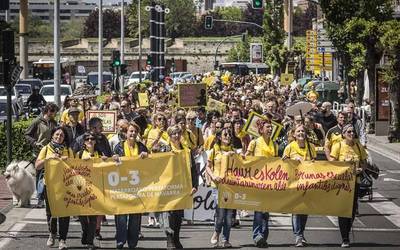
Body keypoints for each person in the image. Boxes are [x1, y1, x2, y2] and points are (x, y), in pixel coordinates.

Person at [158, 125, 198, 249]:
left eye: (178, 133)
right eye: (173, 134)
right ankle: (169, 239)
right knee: (168, 213)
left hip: (182, 186)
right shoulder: (164, 149)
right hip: (167, 186)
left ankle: (176, 238)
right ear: (169, 136)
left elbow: (193, 169)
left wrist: (195, 185)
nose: (176, 136)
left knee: (178, 214)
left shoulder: (187, 150)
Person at [35, 127, 73, 250]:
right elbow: (37, 166)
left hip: (65, 186)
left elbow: (75, 166)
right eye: (57, 134)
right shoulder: (46, 149)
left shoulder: (68, 150)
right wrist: (48, 159)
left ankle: (63, 239)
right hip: (49, 185)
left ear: (64, 138)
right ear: (52, 136)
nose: (59, 137)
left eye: (61, 135)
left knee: (65, 213)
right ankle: (52, 234)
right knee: (50, 213)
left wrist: (67, 161)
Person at [329, 124, 367, 248]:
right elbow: (332, 163)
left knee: (352, 209)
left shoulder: (358, 146)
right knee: (343, 209)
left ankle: (347, 230)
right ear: (343, 134)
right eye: (348, 132)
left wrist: (361, 169)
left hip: (355, 182)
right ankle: (345, 237)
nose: (351, 134)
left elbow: (364, 162)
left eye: (353, 132)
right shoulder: (338, 145)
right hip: (342, 184)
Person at [113, 122, 148, 249]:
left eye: (135, 132)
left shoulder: (142, 147)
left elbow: (150, 165)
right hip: (121, 186)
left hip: (137, 187)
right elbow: (112, 165)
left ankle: (132, 243)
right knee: (121, 216)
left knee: (135, 216)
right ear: (126, 133)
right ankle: (120, 241)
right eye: (130, 131)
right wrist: (115, 159)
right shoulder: (118, 147)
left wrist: (147, 156)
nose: (133, 133)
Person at [246, 119, 278, 248]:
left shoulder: (274, 144)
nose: (270, 129)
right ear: (261, 129)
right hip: (258, 180)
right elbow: (246, 158)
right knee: (259, 210)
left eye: (271, 127)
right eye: (268, 127)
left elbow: (276, 161)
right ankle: (257, 235)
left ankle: (263, 235)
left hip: (270, 181)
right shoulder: (254, 143)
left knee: (266, 210)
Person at [282, 125, 316, 247]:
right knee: (296, 210)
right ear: (294, 134)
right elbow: (283, 163)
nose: (301, 133)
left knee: (304, 210)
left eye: (302, 131)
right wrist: (289, 159)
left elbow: (315, 164)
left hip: (307, 183)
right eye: (298, 131)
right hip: (294, 183)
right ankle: (298, 236)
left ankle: (301, 233)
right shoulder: (290, 147)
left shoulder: (311, 147)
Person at [205, 127, 235, 248]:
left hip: (230, 187)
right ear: (219, 137)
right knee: (221, 213)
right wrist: (213, 176)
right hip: (217, 186)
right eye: (225, 134)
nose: (228, 136)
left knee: (229, 216)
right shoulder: (214, 150)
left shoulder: (233, 151)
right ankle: (216, 233)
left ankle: (225, 239)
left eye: (229, 134)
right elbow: (208, 167)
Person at [77, 132, 107, 250]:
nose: (90, 140)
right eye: (87, 139)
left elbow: (106, 167)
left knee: (93, 217)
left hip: (96, 188)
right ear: (84, 142)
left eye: (92, 139)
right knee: (82, 216)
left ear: (95, 141)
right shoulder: (79, 154)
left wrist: (105, 160)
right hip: (81, 189)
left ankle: (90, 241)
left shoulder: (99, 154)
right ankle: (85, 232)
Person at [25, 103, 59, 208]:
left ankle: (49, 196)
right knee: (40, 175)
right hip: (39, 152)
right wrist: (35, 143)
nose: (55, 114)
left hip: (51, 151)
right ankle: (40, 198)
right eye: (53, 112)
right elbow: (27, 134)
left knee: (51, 174)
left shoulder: (54, 122)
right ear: (48, 111)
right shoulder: (37, 122)